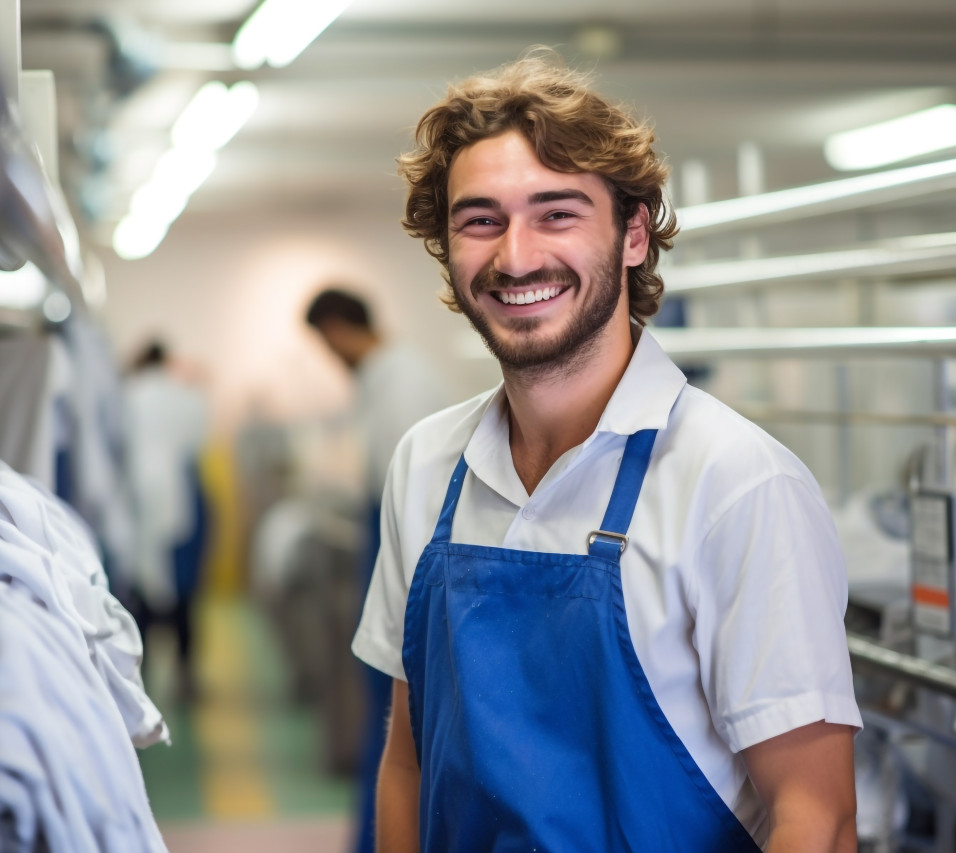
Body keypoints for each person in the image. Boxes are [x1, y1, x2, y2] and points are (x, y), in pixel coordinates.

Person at [351, 53, 860, 852]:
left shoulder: (735, 483)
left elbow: (817, 818)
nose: (515, 256)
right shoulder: (425, 467)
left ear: (631, 234)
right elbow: (408, 766)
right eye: (480, 219)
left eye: (556, 213)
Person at [304, 288, 450, 853]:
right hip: (389, 541)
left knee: (396, 724)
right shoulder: (382, 377)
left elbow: (411, 503)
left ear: (339, 329)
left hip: (408, 558)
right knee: (388, 727)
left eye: (324, 342)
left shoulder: (401, 379)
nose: (328, 354)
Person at [121, 340, 211, 702]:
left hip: (137, 500)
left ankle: (138, 676)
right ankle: (186, 675)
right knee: (186, 593)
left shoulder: (126, 395)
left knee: (139, 590)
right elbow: (199, 440)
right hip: (185, 496)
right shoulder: (187, 397)